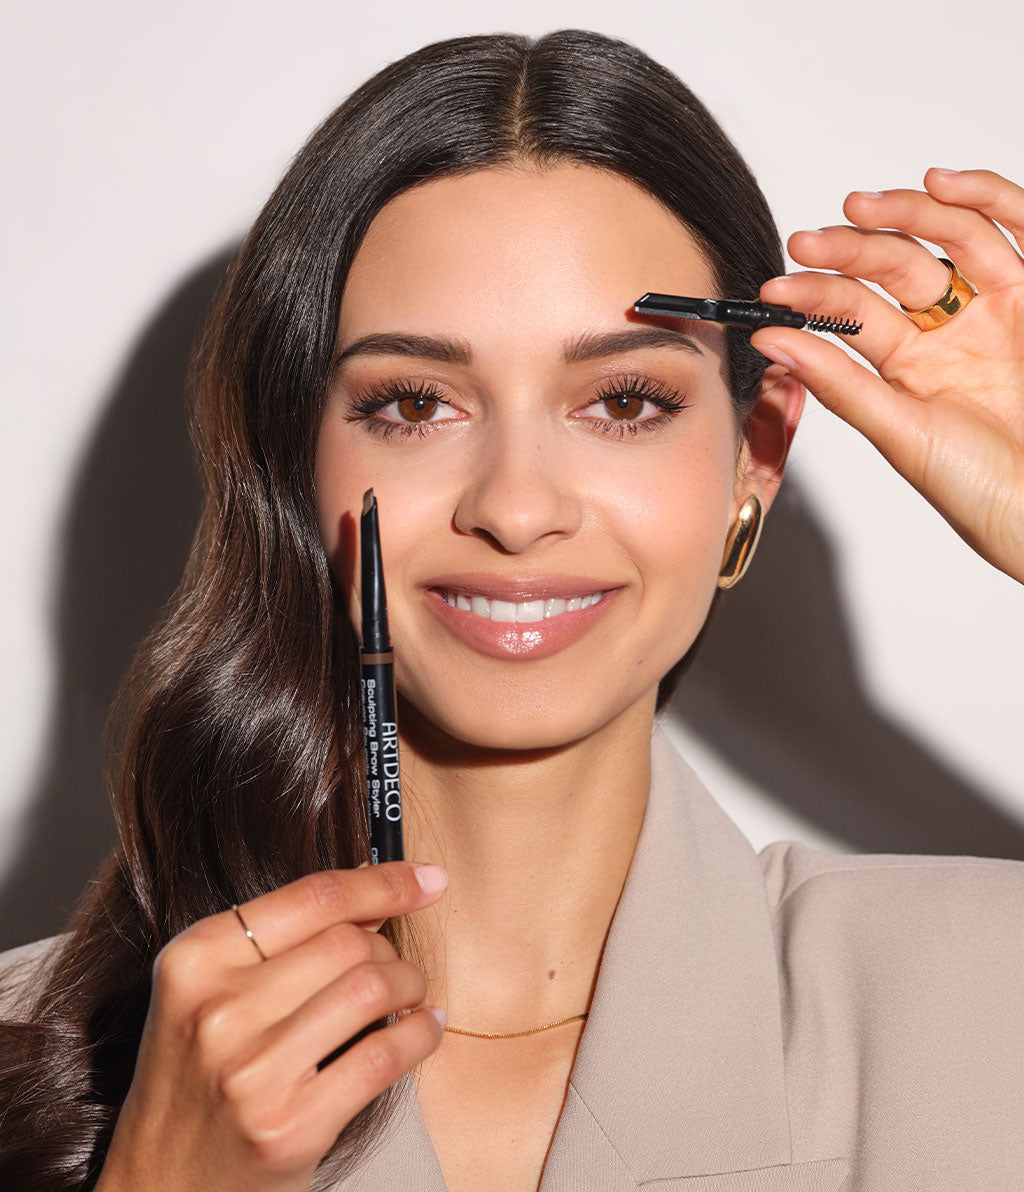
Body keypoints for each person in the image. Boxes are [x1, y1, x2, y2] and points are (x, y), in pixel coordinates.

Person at [1, 28, 1022, 1192]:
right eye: (415, 403)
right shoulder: (26, 1053)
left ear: (754, 451)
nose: (518, 506)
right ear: (298, 460)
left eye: (625, 400)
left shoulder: (991, 1002)